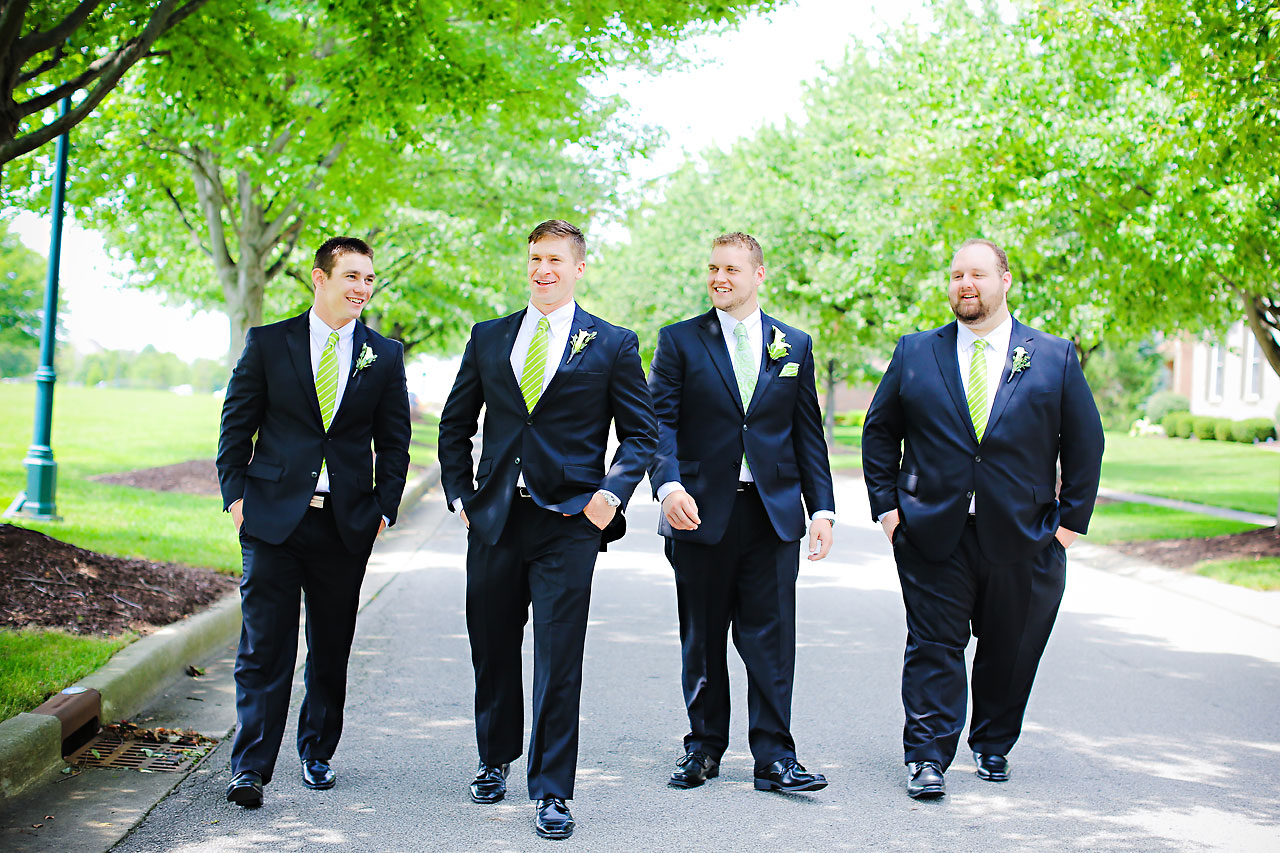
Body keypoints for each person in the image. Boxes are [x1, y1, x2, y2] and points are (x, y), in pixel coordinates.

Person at [861, 238, 1104, 800]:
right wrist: (889, 511)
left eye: (977, 275)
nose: (965, 285)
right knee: (933, 646)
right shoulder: (915, 352)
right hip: (930, 533)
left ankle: (993, 742)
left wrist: (1068, 527)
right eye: (956, 276)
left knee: (1011, 648)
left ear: (1005, 280)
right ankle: (927, 756)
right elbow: (879, 431)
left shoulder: (1054, 356)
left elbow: (1085, 443)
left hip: (1025, 535)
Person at [437, 219, 656, 840]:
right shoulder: (489, 336)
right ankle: (494, 757)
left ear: (578, 268)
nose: (543, 269)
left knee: (559, 659)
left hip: (570, 523)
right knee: (492, 646)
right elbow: (455, 425)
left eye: (556, 260)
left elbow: (640, 435)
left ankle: (553, 789)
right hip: (495, 521)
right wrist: (461, 497)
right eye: (535, 258)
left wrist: (608, 498)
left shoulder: (612, 343)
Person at [216, 236, 411, 807]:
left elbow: (394, 442)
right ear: (319, 278)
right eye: (352, 275)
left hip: (345, 524)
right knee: (263, 647)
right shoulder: (268, 343)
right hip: (271, 519)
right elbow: (236, 427)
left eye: (369, 278)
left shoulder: (384, 354)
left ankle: (317, 752)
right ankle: (250, 767)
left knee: (330, 647)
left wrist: (383, 508)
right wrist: (236, 500)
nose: (362, 288)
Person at [646, 232, 835, 794]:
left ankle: (775, 758)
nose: (719, 278)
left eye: (731, 269)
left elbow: (807, 433)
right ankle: (703, 749)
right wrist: (668, 487)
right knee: (702, 638)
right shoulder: (679, 341)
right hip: (699, 512)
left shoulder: (794, 344)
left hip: (772, 515)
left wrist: (822, 509)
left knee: (771, 641)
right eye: (713, 268)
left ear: (758, 275)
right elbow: (659, 423)